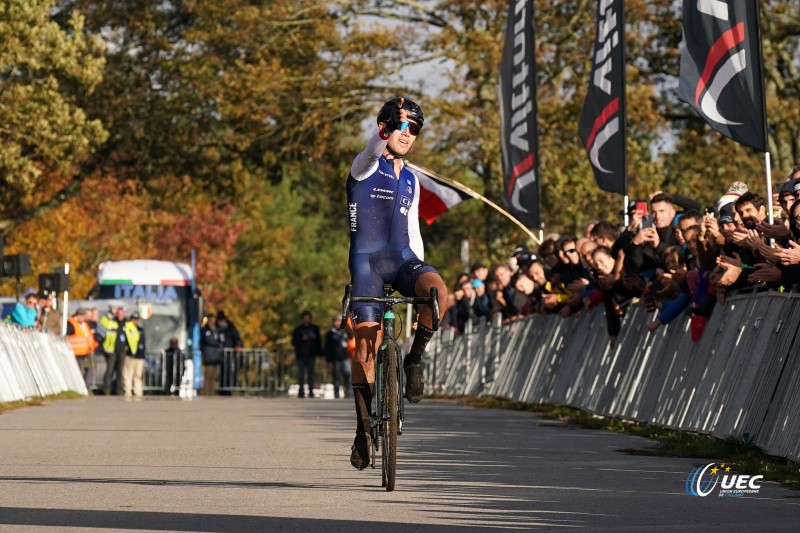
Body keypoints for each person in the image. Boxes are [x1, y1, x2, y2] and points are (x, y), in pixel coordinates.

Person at [345, 96, 449, 470]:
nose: (408, 134)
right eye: (402, 127)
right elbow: (373, 147)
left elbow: (413, 233)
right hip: (367, 266)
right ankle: (362, 430)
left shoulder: (411, 179)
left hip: (403, 260)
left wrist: (419, 274)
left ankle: (414, 361)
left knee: (439, 293)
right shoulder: (364, 166)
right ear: (385, 128)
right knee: (366, 351)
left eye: (414, 129)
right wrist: (387, 128)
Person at [292, 310, 322, 398]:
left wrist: (320, 353)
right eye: (305, 319)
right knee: (301, 375)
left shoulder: (314, 329)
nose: (306, 320)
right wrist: (302, 339)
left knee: (311, 374)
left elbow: (318, 342)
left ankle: (311, 392)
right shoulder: (298, 330)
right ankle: (301, 392)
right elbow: (294, 342)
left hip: (311, 355)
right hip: (301, 355)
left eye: (308, 319)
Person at [66, 308, 97, 388]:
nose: (84, 318)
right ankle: (78, 387)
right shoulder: (71, 323)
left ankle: (85, 387)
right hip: (76, 352)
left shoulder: (84, 324)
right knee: (79, 371)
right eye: (83, 316)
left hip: (86, 352)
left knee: (89, 368)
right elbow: (67, 336)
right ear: (78, 315)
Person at [119, 311, 146, 398]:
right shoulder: (127, 328)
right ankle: (128, 392)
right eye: (134, 319)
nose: (135, 321)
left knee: (138, 375)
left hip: (139, 355)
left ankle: (138, 392)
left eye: (137, 319)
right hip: (130, 355)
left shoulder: (140, 329)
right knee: (128, 374)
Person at [102, 307, 128, 395]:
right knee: (110, 370)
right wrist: (110, 312)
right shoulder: (112, 322)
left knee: (120, 370)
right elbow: (103, 322)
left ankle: (119, 389)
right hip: (111, 350)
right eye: (119, 313)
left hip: (122, 350)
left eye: (122, 313)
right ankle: (106, 389)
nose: (120, 315)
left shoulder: (127, 323)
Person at [324, 317, 351, 399]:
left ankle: (348, 392)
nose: (338, 323)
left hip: (345, 357)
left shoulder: (345, 331)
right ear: (333, 322)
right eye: (337, 321)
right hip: (335, 359)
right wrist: (328, 361)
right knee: (336, 376)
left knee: (347, 374)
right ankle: (336, 393)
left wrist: (346, 326)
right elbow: (327, 348)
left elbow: (352, 336)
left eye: (340, 321)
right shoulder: (330, 333)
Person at [200, 314, 223, 395]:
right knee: (208, 376)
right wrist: (218, 344)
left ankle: (211, 393)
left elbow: (221, 339)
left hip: (216, 357)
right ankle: (206, 393)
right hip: (209, 356)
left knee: (213, 377)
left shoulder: (217, 330)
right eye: (211, 320)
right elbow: (209, 340)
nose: (213, 322)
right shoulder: (205, 330)